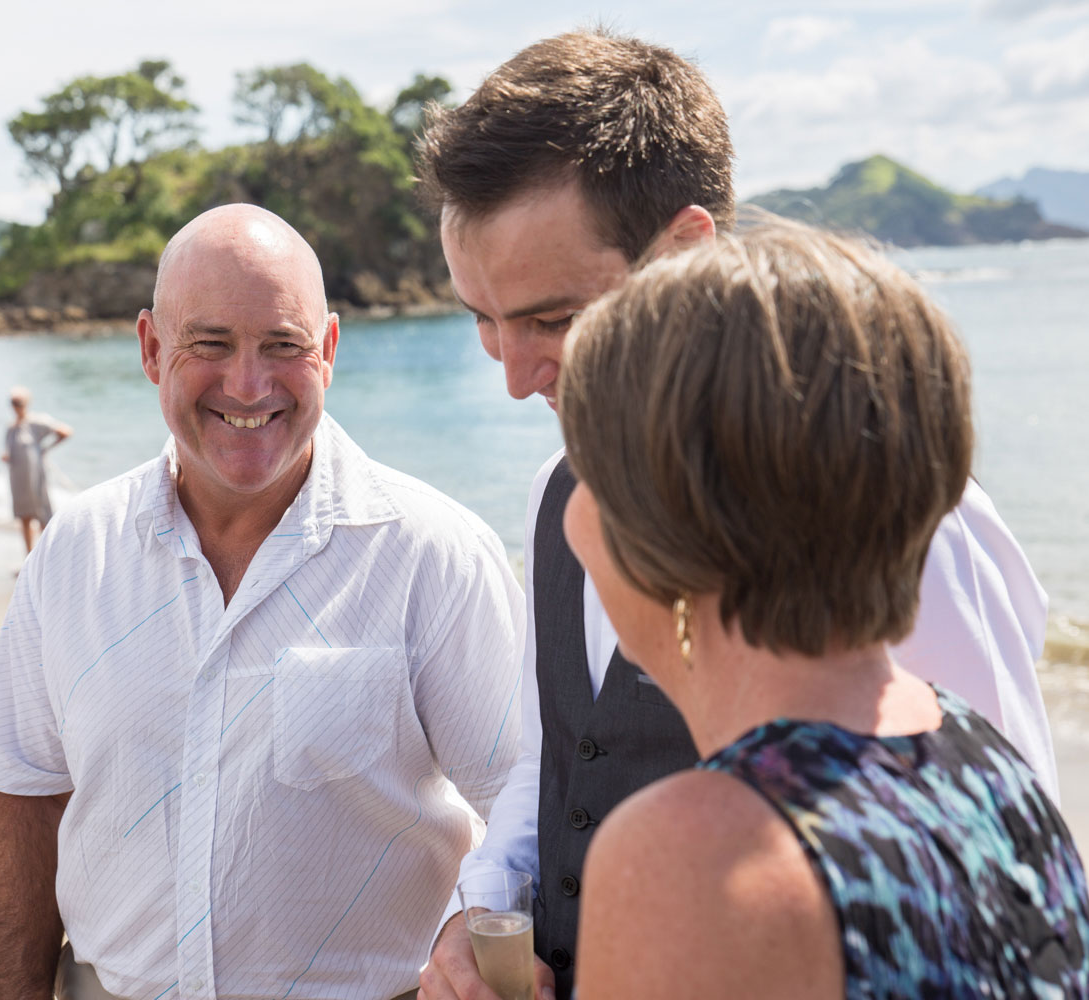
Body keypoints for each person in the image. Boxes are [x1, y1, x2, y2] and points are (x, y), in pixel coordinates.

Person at [413, 29, 1059, 997]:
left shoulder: (898, 509)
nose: (513, 376)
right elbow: (555, 755)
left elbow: (984, 893)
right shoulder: (556, 496)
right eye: (481, 319)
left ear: (683, 251)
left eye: (551, 319)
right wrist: (483, 902)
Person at [0, 204, 525, 1000]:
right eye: (211, 344)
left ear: (328, 351)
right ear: (153, 349)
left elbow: (524, 801)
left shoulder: (433, 555)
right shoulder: (73, 552)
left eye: (283, 345)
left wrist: (479, 924)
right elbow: (26, 795)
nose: (248, 384)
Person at [557, 223, 1088, 998]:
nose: (575, 512)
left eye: (589, 470)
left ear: (667, 527)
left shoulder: (700, 856)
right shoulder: (993, 770)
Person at [3, 386, 73, 554]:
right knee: (24, 517)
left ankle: (49, 555)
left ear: (27, 403)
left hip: (34, 476)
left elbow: (66, 431)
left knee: (42, 514)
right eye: (13, 403)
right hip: (17, 478)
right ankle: (29, 559)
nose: (15, 406)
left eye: (18, 402)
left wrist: (45, 448)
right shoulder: (11, 428)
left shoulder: (37, 421)